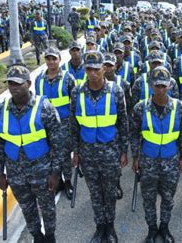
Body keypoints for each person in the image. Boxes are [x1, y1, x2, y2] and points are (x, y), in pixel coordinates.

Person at [0, 65, 64, 243]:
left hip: (42, 171)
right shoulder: (1, 111)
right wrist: (0, 173)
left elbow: (58, 143)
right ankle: (37, 237)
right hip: (16, 173)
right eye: (10, 83)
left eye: (18, 83)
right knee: (27, 208)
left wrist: (56, 173)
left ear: (29, 84)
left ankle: (50, 237)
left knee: (47, 208)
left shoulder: (44, 107)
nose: (14, 87)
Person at [70, 51, 129, 243]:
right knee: (95, 193)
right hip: (87, 153)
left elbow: (123, 123)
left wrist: (123, 151)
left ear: (104, 68)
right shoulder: (77, 92)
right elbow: (74, 125)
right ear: (85, 70)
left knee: (110, 192)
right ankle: (99, 227)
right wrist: (76, 152)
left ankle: (110, 228)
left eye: (96, 68)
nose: (93, 73)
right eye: (89, 69)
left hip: (110, 151)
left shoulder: (116, 91)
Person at [131, 66, 182, 243]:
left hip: (171, 160)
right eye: (157, 85)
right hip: (148, 161)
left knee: (168, 198)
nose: (161, 89)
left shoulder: (180, 107)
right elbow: (133, 133)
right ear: (150, 85)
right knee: (148, 199)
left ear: (170, 85)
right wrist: (135, 157)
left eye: (164, 85)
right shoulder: (140, 108)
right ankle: (152, 229)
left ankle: (164, 227)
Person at [35, 47, 76, 199]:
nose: (51, 62)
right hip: (45, 125)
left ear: (59, 59)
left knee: (64, 155)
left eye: (54, 59)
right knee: (51, 155)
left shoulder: (67, 78)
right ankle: (57, 181)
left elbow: (75, 103)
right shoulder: (39, 79)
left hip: (63, 125)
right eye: (48, 59)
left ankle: (68, 182)